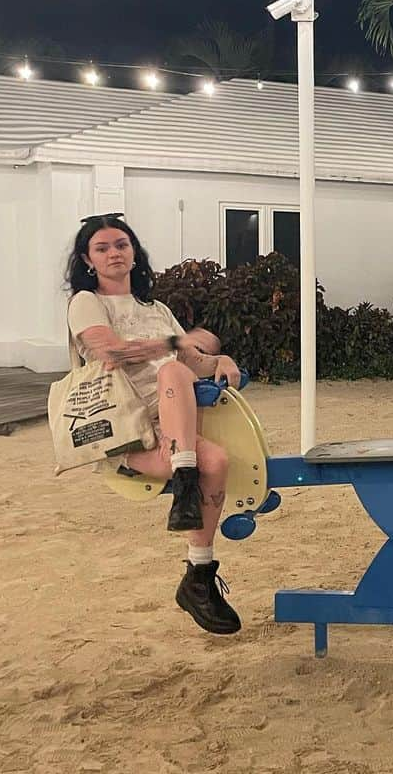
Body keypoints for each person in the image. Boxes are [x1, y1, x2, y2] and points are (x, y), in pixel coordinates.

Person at [65, 213, 244, 635]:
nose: (114, 253)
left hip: (172, 425)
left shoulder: (157, 309)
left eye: (121, 245)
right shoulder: (87, 302)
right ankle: (184, 477)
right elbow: (111, 351)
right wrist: (174, 346)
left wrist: (222, 360)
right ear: (87, 260)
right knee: (171, 372)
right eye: (103, 247)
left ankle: (197, 578)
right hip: (125, 429)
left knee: (216, 461)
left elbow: (195, 362)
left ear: (134, 253)